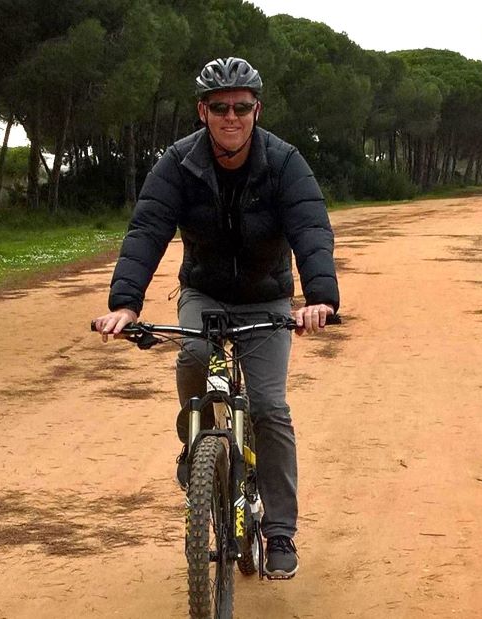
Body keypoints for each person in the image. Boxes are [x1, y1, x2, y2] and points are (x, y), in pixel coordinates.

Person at [93, 57, 339, 580]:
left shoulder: (285, 162)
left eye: (242, 107)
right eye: (220, 107)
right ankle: (197, 439)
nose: (232, 117)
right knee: (194, 354)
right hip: (204, 292)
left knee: (270, 408)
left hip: (266, 298)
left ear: (257, 110)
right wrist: (125, 303)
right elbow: (147, 230)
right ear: (203, 111)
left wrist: (320, 297)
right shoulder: (178, 163)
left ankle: (279, 532)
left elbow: (311, 228)